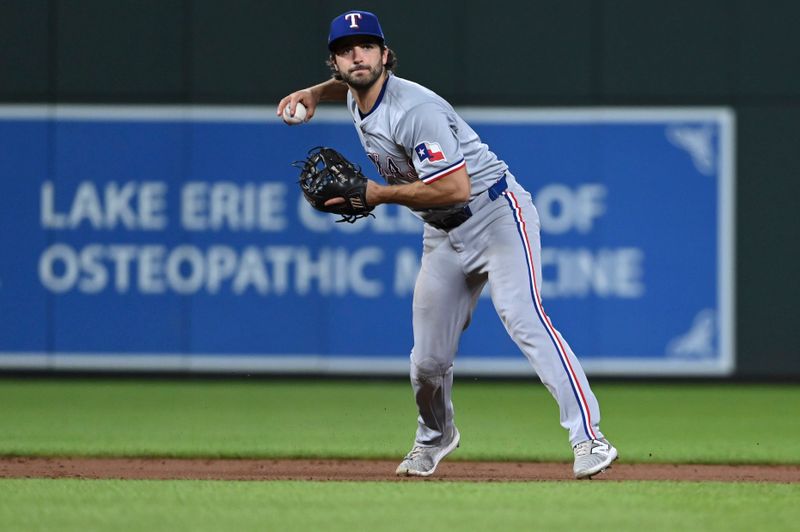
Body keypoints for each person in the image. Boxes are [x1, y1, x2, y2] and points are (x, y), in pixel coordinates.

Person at [277, 10, 617, 479]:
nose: (358, 56)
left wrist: (378, 194)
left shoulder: (415, 111)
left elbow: (456, 188)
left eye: (367, 46)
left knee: (524, 318)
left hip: (496, 215)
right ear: (335, 62)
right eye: (345, 50)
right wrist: (316, 92)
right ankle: (435, 438)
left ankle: (589, 439)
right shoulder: (357, 93)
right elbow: (350, 86)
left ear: (385, 55)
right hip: (442, 233)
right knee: (428, 361)